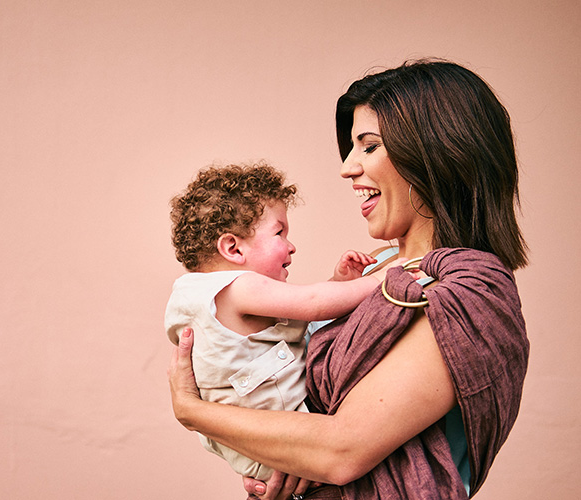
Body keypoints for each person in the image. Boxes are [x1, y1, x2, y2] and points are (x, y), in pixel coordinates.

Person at [167, 59, 530, 500]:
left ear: (436, 153)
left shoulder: (466, 290)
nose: (347, 167)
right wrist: (281, 457)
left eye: (369, 146)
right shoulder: (377, 270)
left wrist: (193, 411)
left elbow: (340, 452)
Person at [165, 163, 392, 481]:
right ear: (233, 247)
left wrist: (339, 281)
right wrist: (384, 278)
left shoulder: (193, 294)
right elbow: (312, 305)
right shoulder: (239, 286)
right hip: (286, 436)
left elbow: (298, 318)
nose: (291, 245)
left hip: (250, 447)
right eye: (279, 232)